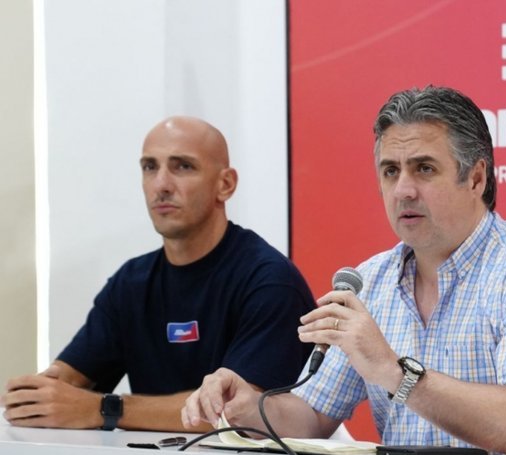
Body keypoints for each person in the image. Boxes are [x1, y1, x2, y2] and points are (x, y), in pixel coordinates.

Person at [183, 87, 506, 455]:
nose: (403, 190)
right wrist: (250, 406)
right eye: (390, 171)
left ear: (476, 178)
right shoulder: (371, 281)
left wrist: (396, 373)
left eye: (424, 169)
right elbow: (311, 416)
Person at [2, 116, 316, 432]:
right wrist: (37, 396)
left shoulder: (269, 281)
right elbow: (67, 381)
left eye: (183, 167)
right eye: (150, 167)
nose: (161, 185)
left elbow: (237, 415)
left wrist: (104, 409)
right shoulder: (130, 283)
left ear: (225, 184)